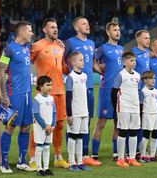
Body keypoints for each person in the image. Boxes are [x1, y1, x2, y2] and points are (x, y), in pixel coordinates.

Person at [30, 17, 69, 169]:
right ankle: (33, 158)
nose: (55, 29)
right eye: (52, 27)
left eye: (56, 27)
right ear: (44, 30)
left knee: (59, 125)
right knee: (40, 126)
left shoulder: (60, 47)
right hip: (45, 93)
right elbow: (27, 61)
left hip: (60, 90)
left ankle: (58, 157)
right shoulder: (37, 46)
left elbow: (64, 68)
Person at [64, 16, 102, 166]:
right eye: (83, 24)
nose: (87, 25)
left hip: (89, 87)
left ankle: (84, 155)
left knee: (86, 120)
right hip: (75, 88)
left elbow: (93, 64)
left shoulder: (92, 43)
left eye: (88, 23)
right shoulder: (70, 42)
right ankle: (71, 156)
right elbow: (63, 61)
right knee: (73, 120)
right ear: (76, 27)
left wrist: (102, 73)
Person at [0, 21, 35, 173]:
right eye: (30, 31)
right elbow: (1, 72)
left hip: (27, 94)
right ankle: (4, 163)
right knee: (10, 127)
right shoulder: (8, 50)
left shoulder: (27, 47)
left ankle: (22, 161)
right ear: (21, 33)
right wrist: (4, 95)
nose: (32, 33)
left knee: (26, 127)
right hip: (14, 95)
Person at [92, 22, 124, 162]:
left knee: (118, 122)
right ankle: (94, 154)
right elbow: (92, 61)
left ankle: (116, 153)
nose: (117, 32)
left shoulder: (122, 49)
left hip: (120, 91)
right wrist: (99, 71)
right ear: (108, 32)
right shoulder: (102, 49)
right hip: (107, 90)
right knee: (102, 122)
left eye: (118, 30)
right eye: (114, 30)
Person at [111, 51, 142, 167]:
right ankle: (120, 158)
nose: (133, 63)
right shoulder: (121, 75)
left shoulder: (137, 76)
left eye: (134, 60)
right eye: (131, 61)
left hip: (134, 107)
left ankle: (132, 158)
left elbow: (137, 91)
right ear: (124, 62)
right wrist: (116, 108)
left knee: (134, 132)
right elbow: (114, 92)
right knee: (123, 131)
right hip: (123, 106)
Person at [66, 51, 92, 172]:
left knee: (80, 136)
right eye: (80, 60)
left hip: (83, 111)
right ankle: (72, 162)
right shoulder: (70, 77)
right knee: (72, 136)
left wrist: (87, 111)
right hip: (75, 112)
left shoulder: (84, 76)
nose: (83, 62)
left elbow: (84, 94)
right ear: (73, 62)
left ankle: (80, 161)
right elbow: (68, 97)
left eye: (83, 59)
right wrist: (69, 114)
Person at [131, 30, 151, 158]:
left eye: (149, 38)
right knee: (136, 122)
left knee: (145, 122)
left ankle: (141, 148)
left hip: (147, 92)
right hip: (137, 92)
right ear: (138, 40)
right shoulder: (133, 53)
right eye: (145, 38)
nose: (148, 40)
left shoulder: (148, 53)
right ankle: (133, 149)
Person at [33, 76, 56, 176]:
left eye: (51, 85)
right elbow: (36, 114)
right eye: (48, 85)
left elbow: (54, 112)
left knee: (47, 147)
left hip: (49, 127)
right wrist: (44, 125)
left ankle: (46, 167)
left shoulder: (51, 98)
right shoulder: (37, 99)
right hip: (40, 127)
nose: (50, 87)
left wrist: (53, 125)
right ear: (41, 86)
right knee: (39, 147)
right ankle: (39, 168)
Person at [139, 71, 157, 163]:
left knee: (155, 135)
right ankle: (143, 155)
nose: (153, 80)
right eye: (151, 78)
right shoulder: (143, 91)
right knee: (146, 135)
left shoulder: (156, 91)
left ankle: (152, 155)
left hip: (156, 114)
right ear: (144, 80)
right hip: (147, 114)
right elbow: (140, 104)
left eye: (154, 78)